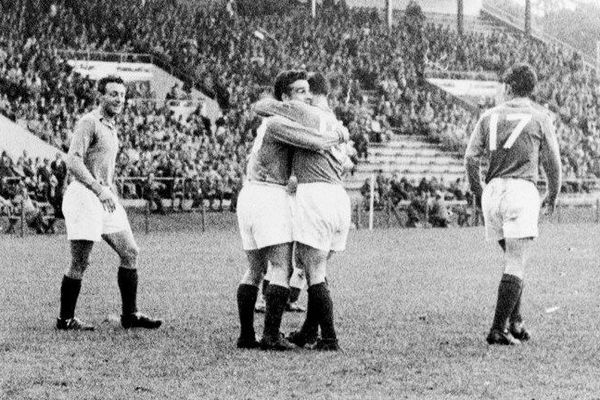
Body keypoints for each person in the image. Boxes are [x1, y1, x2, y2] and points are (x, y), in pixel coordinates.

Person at [236, 70, 348, 351]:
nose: (306, 96)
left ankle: (248, 336)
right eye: (299, 91)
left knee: (255, 269)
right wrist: (339, 133)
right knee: (283, 267)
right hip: (268, 195)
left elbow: (260, 107)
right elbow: (318, 142)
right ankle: (272, 335)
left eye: (308, 90)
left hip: (253, 193)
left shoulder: (273, 122)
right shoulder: (279, 123)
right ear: (285, 98)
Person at [464, 63, 561, 345]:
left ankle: (516, 322)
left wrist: (478, 189)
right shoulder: (540, 117)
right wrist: (553, 193)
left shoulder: (488, 116)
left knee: (512, 257)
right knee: (516, 261)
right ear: (531, 89)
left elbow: (471, 158)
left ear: (508, 87)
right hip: (521, 190)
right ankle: (497, 329)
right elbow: (552, 161)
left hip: (493, 192)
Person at [57, 75, 162, 331]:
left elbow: (103, 168)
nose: (119, 99)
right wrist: (97, 188)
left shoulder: (112, 126)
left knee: (130, 252)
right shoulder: (89, 122)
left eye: (122, 95)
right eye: (113, 94)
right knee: (80, 262)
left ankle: (130, 315)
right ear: (101, 96)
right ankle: (65, 319)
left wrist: (109, 192)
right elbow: (73, 161)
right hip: (84, 194)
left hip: (104, 196)